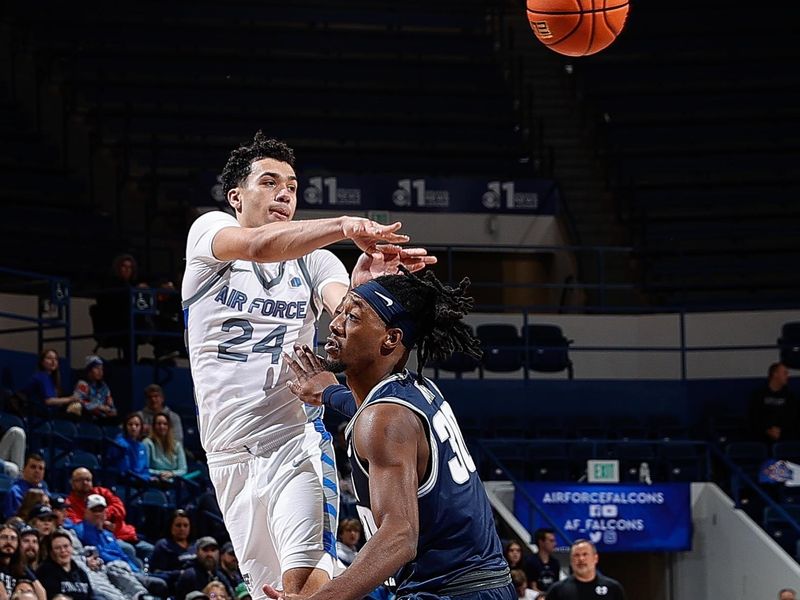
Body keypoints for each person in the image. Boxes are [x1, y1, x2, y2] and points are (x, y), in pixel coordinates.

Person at [181, 131, 434, 598]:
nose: (285, 193)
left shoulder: (316, 263)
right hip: (226, 454)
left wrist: (373, 295)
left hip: (293, 441)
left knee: (305, 586)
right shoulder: (209, 233)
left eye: (293, 187)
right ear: (237, 197)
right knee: (269, 593)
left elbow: (347, 320)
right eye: (271, 182)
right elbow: (259, 247)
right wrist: (345, 224)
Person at [268, 268, 512, 600]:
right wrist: (328, 392)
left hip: (449, 590)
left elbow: (399, 537)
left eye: (352, 317)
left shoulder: (383, 420)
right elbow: (373, 415)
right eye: (339, 311)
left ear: (391, 338)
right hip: (479, 583)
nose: (336, 323)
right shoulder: (415, 389)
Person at [72, 494, 167, 597]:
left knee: (165, 579)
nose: (98, 514)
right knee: (158, 584)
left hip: (128, 570)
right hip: (111, 571)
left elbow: (122, 555)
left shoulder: (108, 534)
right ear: (86, 512)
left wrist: (135, 570)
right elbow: (98, 554)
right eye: (94, 510)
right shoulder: (80, 530)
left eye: (101, 509)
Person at [65, 468, 153, 562]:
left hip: (125, 533)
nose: (85, 482)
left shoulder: (102, 492)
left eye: (88, 479)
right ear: (72, 483)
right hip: (103, 539)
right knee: (128, 550)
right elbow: (78, 524)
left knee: (149, 549)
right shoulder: (69, 503)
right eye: (80, 480)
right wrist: (100, 524)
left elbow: (120, 508)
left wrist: (105, 514)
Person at [545, 540, 625, 600]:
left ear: (595, 558)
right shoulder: (557, 590)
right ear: (571, 560)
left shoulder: (613, 588)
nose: (581, 559)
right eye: (576, 555)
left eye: (585, 554)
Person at [19, 349, 79, 418]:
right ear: (42, 361)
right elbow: (49, 401)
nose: (53, 361)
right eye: (49, 358)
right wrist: (71, 399)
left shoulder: (51, 379)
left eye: (56, 359)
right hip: (37, 413)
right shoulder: (41, 376)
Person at [35, 530, 93, 600]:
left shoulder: (81, 573)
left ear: (71, 548)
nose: (63, 550)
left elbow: (90, 596)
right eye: (57, 548)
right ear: (50, 552)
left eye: (66, 546)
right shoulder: (44, 572)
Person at [750, 363, 798, 444]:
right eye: (785, 373)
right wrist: (767, 430)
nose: (787, 376)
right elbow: (753, 416)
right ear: (775, 374)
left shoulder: (790, 396)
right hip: (761, 436)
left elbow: (793, 416)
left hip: (785, 436)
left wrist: (781, 429)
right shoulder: (759, 395)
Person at [0, 525, 46, 600]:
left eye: (13, 538)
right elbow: (3, 597)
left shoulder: (20, 567)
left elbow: (42, 593)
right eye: (4, 537)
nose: (9, 542)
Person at [105, 412, 153, 483]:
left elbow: (145, 468)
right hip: (124, 481)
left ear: (141, 428)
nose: (133, 427)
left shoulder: (142, 446)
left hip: (141, 481)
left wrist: (147, 477)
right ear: (125, 426)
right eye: (130, 424)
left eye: (137, 425)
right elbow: (124, 469)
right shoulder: (119, 443)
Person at [143, 413, 188, 482]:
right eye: (159, 424)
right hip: (154, 480)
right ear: (154, 426)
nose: (162, 426)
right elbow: (144, 468)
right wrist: (160, 473)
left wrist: (172, 473)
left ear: (169, 427)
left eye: (165, 424)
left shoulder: (177, 445)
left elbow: (183, 469)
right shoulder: (147, 443)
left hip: (174, 480)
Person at [3, 455, 49, 521]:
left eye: (41, 468)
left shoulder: (44, 488)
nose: (37, 471)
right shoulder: (15, 491)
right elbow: (13, 519)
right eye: (33, 467)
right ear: (24, 469)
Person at [72, 356, 117, 423]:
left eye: (101, 369)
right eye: (97, 368)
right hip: (87, 417)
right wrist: (98, 407)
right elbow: (78, 401)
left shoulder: (104, 387)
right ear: (89, 370)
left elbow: (111, 405)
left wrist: (111, 411)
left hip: (102, 417)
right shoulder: (83, 384)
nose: (100, 371)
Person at [524, 529, 561, 594]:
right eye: (551, 541)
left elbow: (556, 586)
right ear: (541, 542)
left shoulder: (555, 563)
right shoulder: (530, 562)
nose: (555, 544)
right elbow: (533, 588)